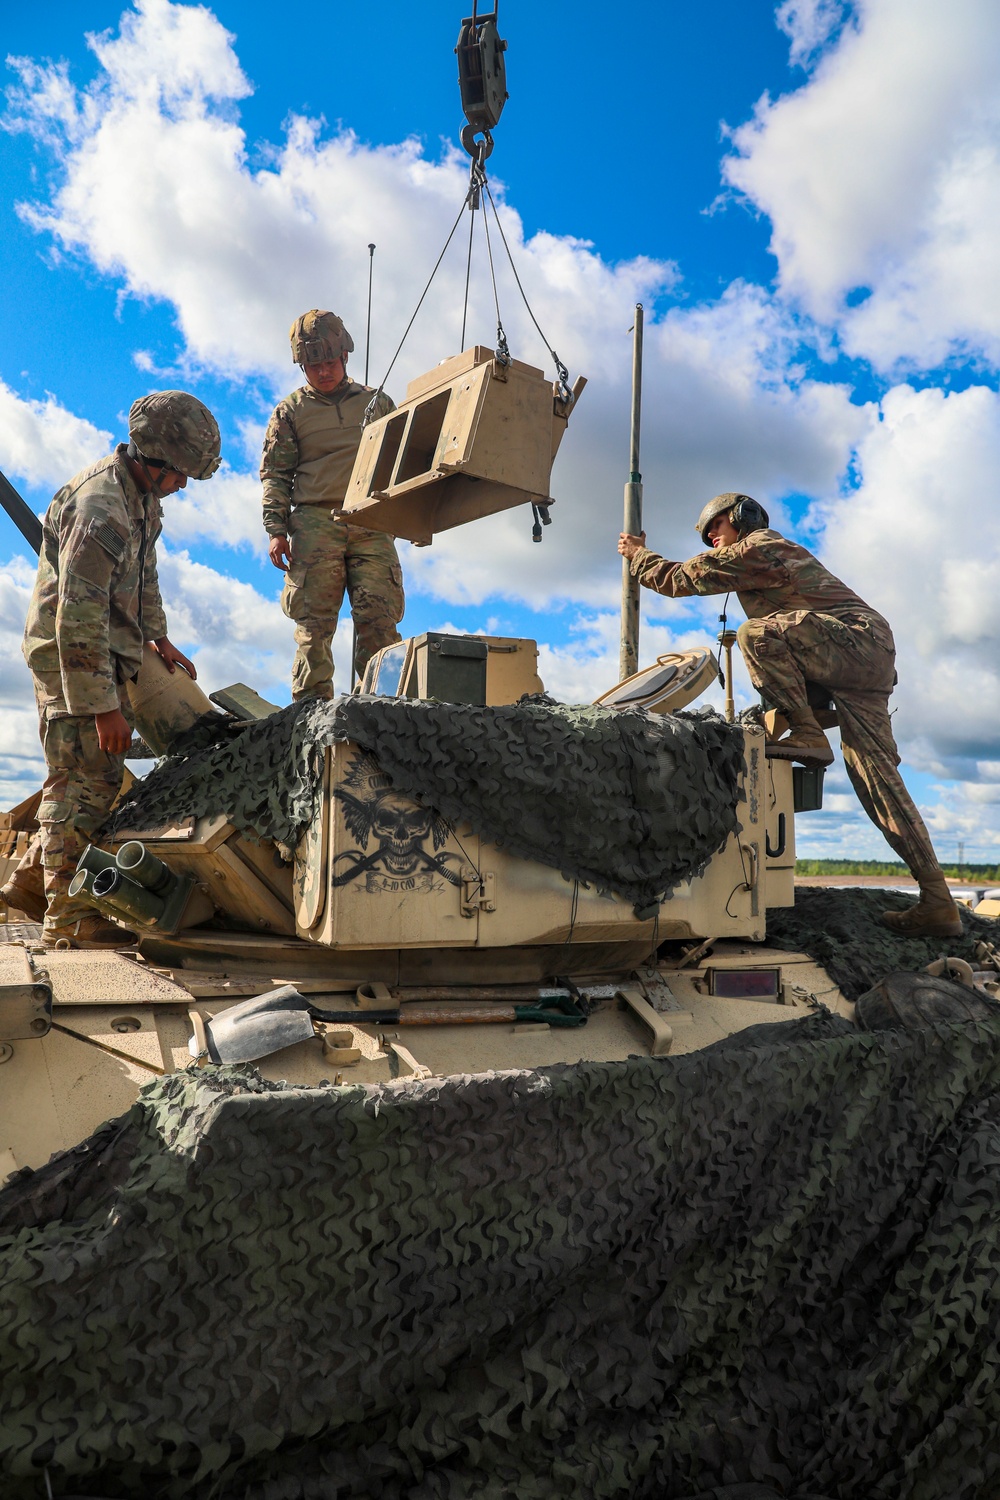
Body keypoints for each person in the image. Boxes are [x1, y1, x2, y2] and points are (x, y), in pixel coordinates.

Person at [618, 492, 962, 939]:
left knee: (756, 634)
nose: (712, 542)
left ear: (740, 519)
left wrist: (638, 556)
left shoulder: (760, 546)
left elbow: (683, 578)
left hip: (853, 641)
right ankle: (937, 899)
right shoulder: (760, 558)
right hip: (859, 654)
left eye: (715, 529)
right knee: (878, 782)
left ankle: (807, 732)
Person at [6, 391, 221, 949]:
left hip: (109, 651)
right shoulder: (100, 508)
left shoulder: (142, 497)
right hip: (72, 660)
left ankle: (61, 899)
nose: (184, 486)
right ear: (158, 460)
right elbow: (76, 618)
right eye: (182, 475)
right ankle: (67, 919)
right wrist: (101, 707)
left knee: (96, 781)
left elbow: (144, 575)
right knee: (81, 782)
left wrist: (159, 638)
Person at [261, 309, 405, 701]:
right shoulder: (290, 412)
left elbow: (401, 463)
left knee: (379, 621)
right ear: (301, 366)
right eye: (312, 365)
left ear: (344, 357)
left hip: (371, 520)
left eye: (328, 362)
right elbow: (276, 474)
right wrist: (276, 530)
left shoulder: (377, 403)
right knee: (314, 625)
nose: (322, 372)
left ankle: (381, 707)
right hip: (314, 522)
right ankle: (310, 710)